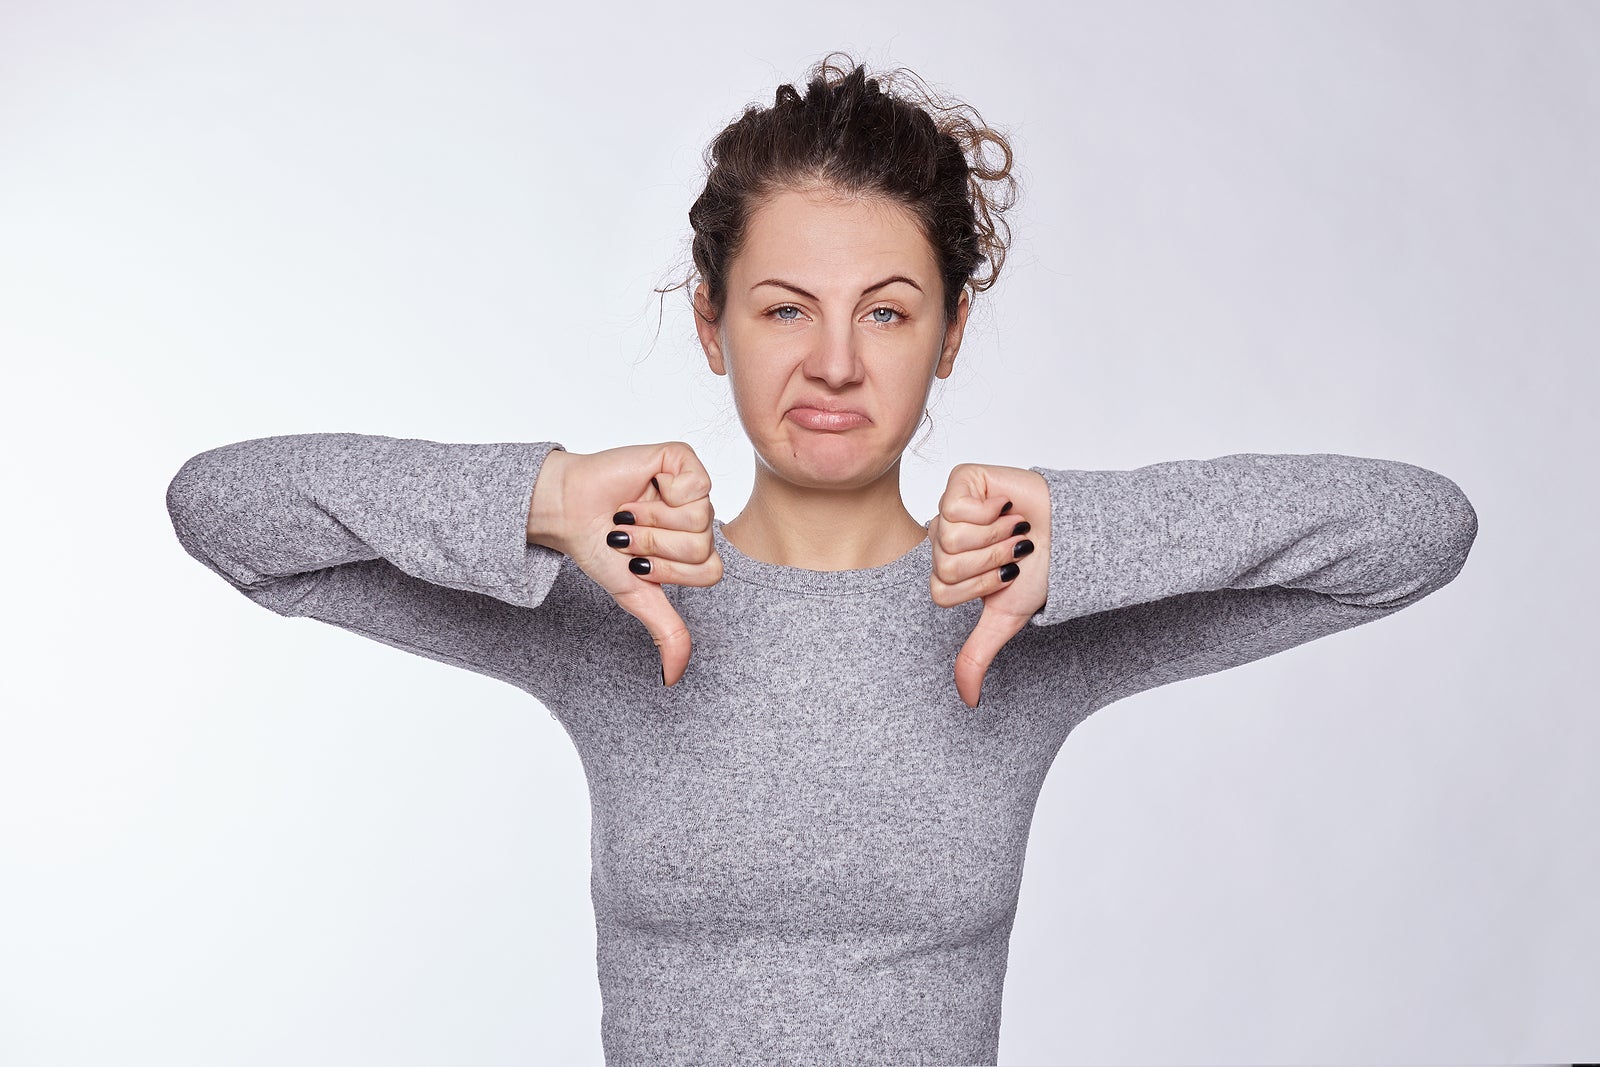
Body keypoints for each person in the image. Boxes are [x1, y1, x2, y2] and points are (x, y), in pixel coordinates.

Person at [165, 53, 1479, 1067]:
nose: (836, 361)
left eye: (889, 312)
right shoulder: (613, 602)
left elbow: (1414, 535)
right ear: (712, 325)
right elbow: (231, 516)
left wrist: (1084, 538)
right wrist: (544, 498)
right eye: (785, 307)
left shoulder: (1019, 616)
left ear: (951, 334)